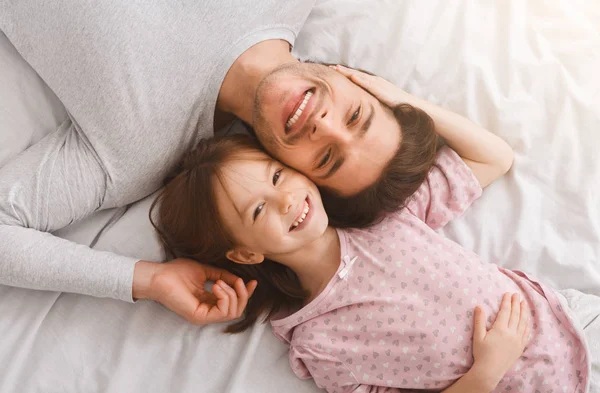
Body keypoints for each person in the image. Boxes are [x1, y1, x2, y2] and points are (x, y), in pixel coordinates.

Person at [0, 1, 464, 324]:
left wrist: (147, 279)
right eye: (357, 115)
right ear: (361, 82)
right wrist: (404, 101)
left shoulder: (136, 152)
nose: (325, 126)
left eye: (326, 158)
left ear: (302, 180)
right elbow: (494, 158)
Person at [149, 130, 594, 391]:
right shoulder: (318, 342)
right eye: (259, 210)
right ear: (246, 253)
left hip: (574, 325)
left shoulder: (382, 216)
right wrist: (485, 373)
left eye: (278, 175)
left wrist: (390, 94)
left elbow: (491, 156)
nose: (286, 200)